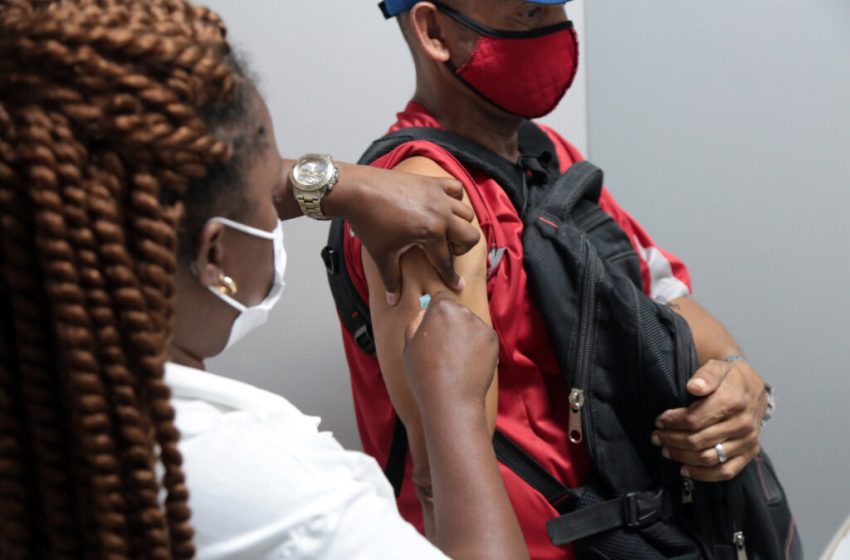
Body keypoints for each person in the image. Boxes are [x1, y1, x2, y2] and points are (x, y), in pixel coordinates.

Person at [0, 1, 531, 558]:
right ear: (214, 256)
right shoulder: (276, 496)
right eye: (266, 196)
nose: (283, 198)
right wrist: (455, 410)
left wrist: (337, 183)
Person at [333, 1, 774, 558]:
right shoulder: (421, 195)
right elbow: (440, 479)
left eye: (558, 11)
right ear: (434, 29)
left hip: (628, 531)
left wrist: (739, 382)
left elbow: (661, 294)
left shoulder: (549, 157)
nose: (556, 34)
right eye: (528, 14)